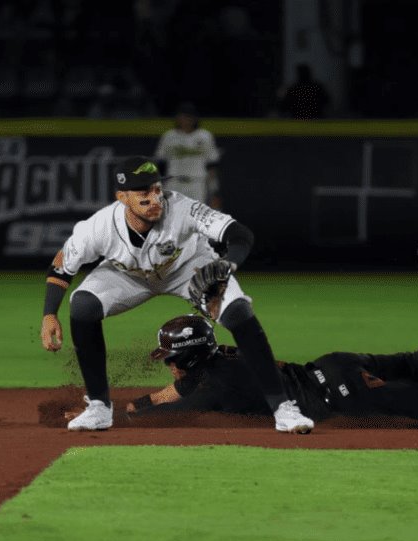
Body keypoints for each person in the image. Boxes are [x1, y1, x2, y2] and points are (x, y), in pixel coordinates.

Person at [40, 156, 314, 434]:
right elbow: (61, 267)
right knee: (83, 305)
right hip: (128, 277)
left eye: (157, 189)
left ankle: (283, 408)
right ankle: (99, 407)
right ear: (122, 197)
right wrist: (50, 313)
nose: (155, 198)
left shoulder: (183, 208)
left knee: (238, 312)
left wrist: (227, 263)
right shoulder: (98, 228)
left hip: (189, 269)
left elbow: (239, 234)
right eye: (143, 193)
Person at [126, 287, 418, 422]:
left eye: (170, 356)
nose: (166, 363)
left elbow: (178, 409)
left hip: (338, 395)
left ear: (188, 358)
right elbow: (173, 392)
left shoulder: (215, 386)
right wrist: (136, 404)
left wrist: (129, 420)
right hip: (331, 364)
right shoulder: (222, 355)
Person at [154, 102, 221, 208]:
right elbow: (161, 162)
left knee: (196, 217)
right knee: (171, 217)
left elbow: (212, 165)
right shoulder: (169, 136)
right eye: (182, 117)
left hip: (197, 182)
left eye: (188, 117)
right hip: (174, 182)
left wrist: (214, 191)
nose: (185, 120)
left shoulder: (205, 136)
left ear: (195, 119)